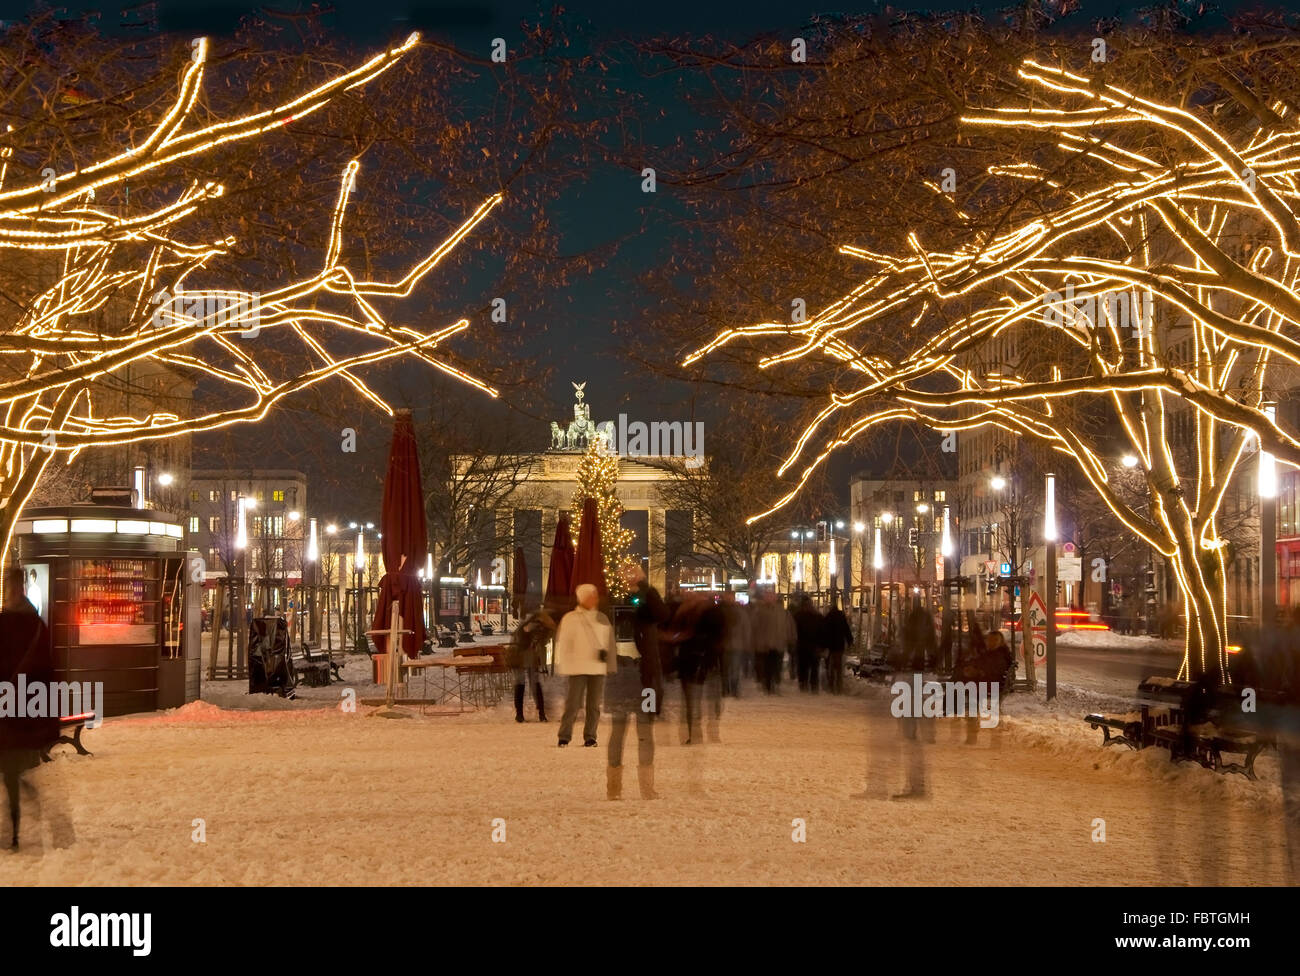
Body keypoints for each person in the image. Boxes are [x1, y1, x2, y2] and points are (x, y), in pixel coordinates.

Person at [0, 567, 59, 849]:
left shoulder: (24, 625)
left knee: (11, 773)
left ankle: (12, 834)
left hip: (17, 714)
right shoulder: (37, 625)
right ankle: (13, 829)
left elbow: (44, 673)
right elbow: (48, 672)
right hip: (20, 711)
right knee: (11, 773)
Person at [606, 565, 667, 800]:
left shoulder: (646, 602)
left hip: (645, 678)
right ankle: (614, 788)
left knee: (644, 731)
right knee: (619, 732)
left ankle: (646, 787)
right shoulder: (612, 601)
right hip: (624, 678)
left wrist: (644, 585)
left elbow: (662, 613)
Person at [554, 583, 615, 747]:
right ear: (583, 598)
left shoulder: (601, 617)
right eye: (591, 595)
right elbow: (565, 644)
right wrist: (565, 664)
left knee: (594, 704)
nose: (595, 598)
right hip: (577, 667)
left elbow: (609, 643)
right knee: (573, 703)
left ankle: (590, 736)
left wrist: (609, 663)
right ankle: (564, 736)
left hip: (596, 667)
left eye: (595, 595)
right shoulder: (571, 618)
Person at [507, 609, 555, 722]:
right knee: (531, 682)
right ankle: (539, 714)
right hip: (522, 654)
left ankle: (521, 715)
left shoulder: (531, 622)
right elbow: (531, 640)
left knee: (523, 682)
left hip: (521, 653)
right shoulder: (537, 625)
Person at [750, 588, 795, 694]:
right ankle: (768, 686)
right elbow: (753, 627)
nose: (770, 598)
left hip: (778, 643)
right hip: (764, 644)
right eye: (768, 596)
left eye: (771, 596)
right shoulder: (759, 611)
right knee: (767, 666)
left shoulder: (782, 612)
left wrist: (791, 639)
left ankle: (774, 684)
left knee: (777, 666)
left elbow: (789, 626)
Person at [718, 590, 750, 697]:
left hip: (736, 644)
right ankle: (725, 688)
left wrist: (746, 641)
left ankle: (734, 688)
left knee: (735, 668)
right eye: (727, 597)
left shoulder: (740, 612)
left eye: (731, 597)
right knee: (725, 669)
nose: (729, 599)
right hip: (725, 645)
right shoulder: (720, 611)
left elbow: (746, 628)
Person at [793, 596, 825, 693]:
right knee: (813, 667)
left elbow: (794, 632)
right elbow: (822, 632)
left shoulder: (798, 616)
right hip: (813, 646)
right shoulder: (818, 616)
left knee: (804, 667)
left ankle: (804, 684)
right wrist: (821, 645)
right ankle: (813, 686)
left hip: (803, 646)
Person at [822, 597, 853, 694]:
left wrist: (823, 645)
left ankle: (831, 686)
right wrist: (850, 640)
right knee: (838, 668)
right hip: (839, 646)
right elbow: (846, 629)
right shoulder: (841, 616)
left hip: (830, 646)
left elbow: (824, 632)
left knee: (830, 667)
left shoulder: (828, 617)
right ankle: (839, 687)